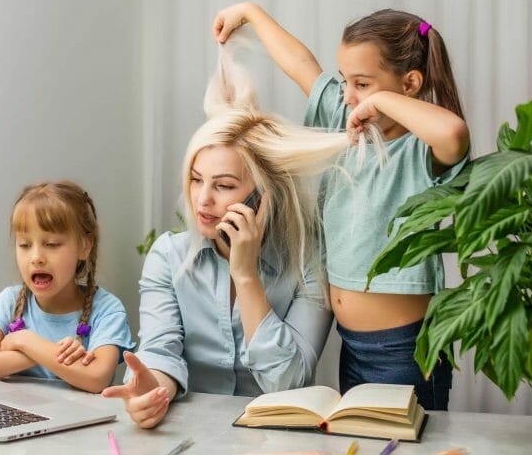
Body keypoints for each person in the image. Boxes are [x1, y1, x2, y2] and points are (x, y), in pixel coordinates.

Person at [212, 3, 471, 410]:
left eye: (363, 84)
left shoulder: (419, 151)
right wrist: (250, 13)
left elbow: (454, 133)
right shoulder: (343, 119)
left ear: (410, 83)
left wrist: (380, 104)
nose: (349, 96)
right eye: (344, 81)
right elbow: (300, 63)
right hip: (353, 348)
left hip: (404, 351)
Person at [101, 39, 369, 428]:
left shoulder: (307, 261)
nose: (202, 200)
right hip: (191, 434)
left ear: (262, 195)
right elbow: (161, 352)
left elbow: (288, 380)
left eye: (223, 185)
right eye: (195, 180)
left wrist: (245, 276)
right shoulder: (169, 256)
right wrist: (151, 391)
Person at [0, 181, 134, 393]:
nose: (36, 258)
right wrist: (41, 356)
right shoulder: (10, 301)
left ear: (84, 246)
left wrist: (25, 341)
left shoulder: (106, 309)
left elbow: (96, 378)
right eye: (24, 245)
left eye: (51, 244)